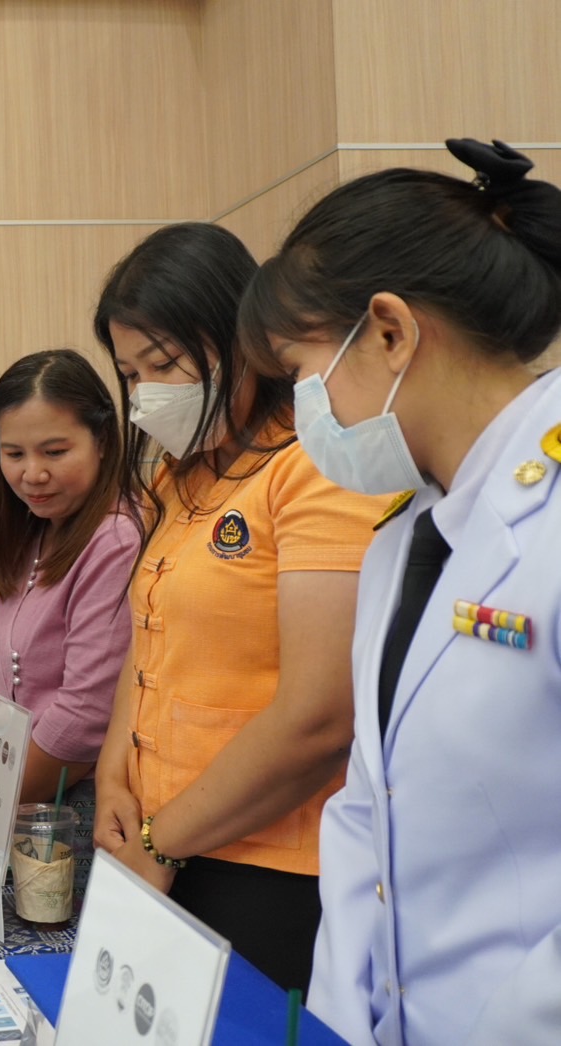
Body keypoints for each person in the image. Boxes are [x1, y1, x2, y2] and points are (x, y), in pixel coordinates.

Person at [237, 139, 561, 1045]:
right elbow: (365, 810)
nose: (302, 408)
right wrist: (342, 1021)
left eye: (299, 371)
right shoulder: (403, 539)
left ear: (389, 331)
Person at [90, 223, 389, 993]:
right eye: (129, 374)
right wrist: (112, 779)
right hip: (161, 843)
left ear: (240, 340)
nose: (146, 394)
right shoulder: (177, 479)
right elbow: (147, 645)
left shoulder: (312, 467)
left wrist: (162, 841)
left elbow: (319, 715)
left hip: (268, 866)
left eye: (162, 364)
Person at [0, 352, 140, 897]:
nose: (32, 474)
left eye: (55, 451)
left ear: (103, 441)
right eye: (13, 454)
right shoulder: (36, 529)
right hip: (20, 794)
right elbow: (3, 678)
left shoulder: (114, 537)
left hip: (72, 808)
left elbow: (87, 712)